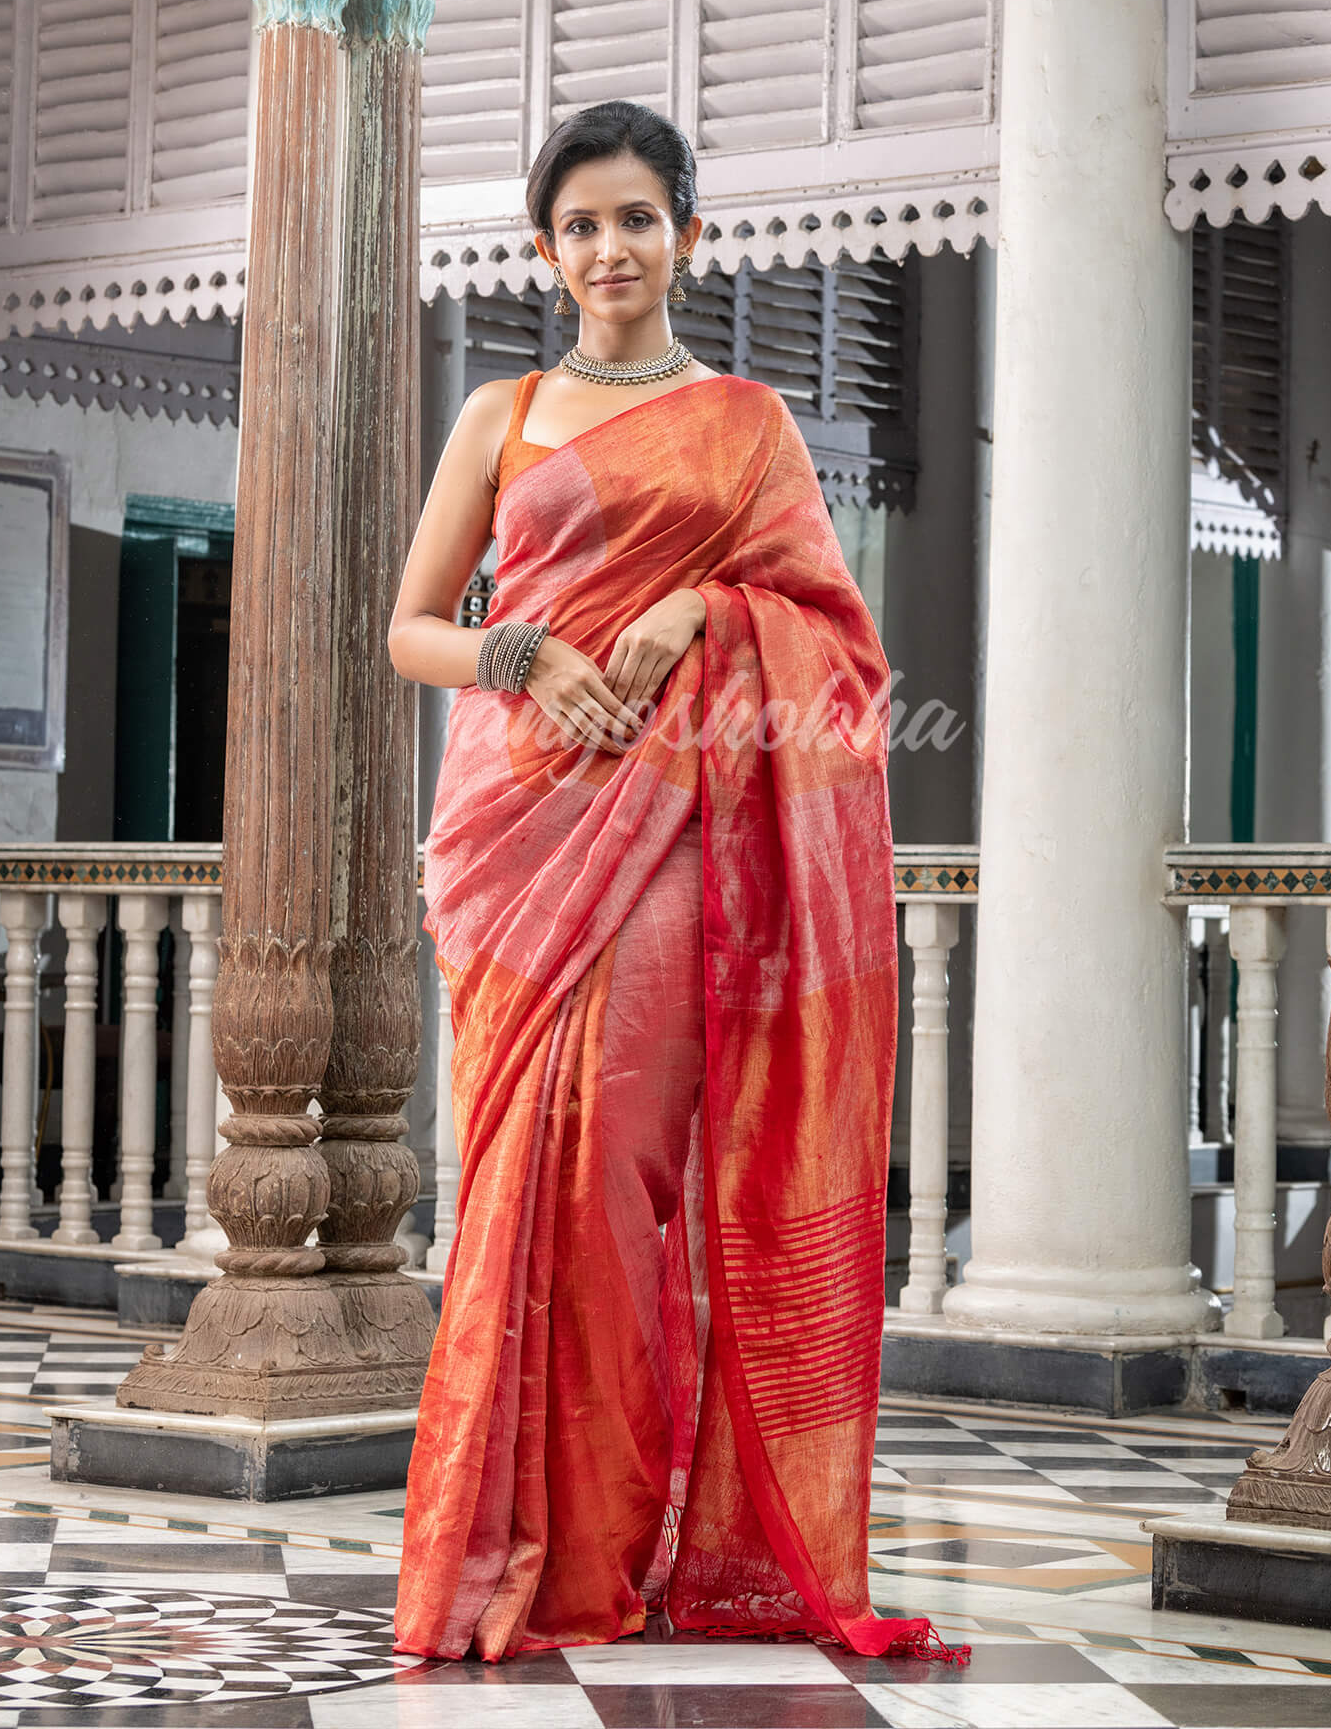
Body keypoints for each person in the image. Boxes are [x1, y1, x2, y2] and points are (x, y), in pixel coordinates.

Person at [387, 100, 964, 1667]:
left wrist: (703, 610)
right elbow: (413, 629)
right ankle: (524, 1546)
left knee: (614, 1189)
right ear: (546, 250)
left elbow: (839, 651)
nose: (610, 248)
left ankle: (611, 1544)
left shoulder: (750, 428)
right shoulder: (500, 416)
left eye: (638, 217)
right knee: (516, 1189)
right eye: (580, 224)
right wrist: (521, 649)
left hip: (668, 838)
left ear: (690, 237)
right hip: (515, 833)